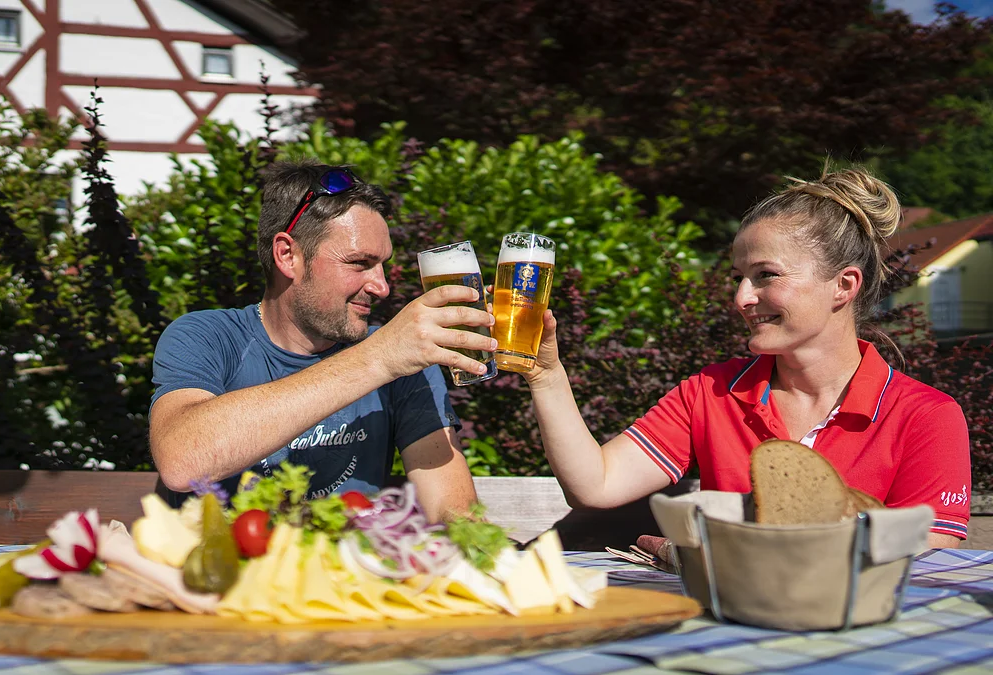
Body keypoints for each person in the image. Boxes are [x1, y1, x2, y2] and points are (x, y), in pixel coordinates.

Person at [522, 167, 971, 548]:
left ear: (844, 285)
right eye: (738, 277)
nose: (741, 298)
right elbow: (597, 485)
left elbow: (928, 557)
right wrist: (546, 375)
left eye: (766, 275)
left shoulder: (926, 416)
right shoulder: (709, 392)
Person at [148, 160, 496, 522]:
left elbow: (454, 513)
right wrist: (379, 359)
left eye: (382, 264)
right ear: (288, 256)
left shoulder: (403, 360)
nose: (382, 287)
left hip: (353, 559)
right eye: (359, 262)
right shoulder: (208, 336)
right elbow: (181, 461)